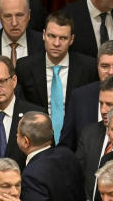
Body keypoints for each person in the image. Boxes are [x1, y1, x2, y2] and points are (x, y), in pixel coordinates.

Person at [16, 12, 99, 142]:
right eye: (51, 36)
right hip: (36, 140)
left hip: (77, 140)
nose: (56, 43)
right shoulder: (24, 67)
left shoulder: (88, 67)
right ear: (43, 35)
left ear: (71, 40)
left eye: (63, 38)